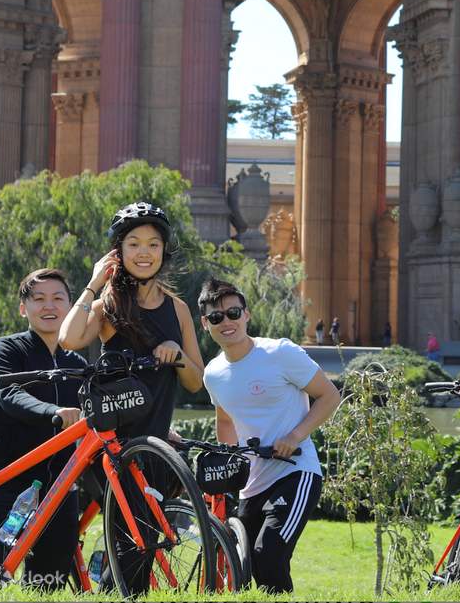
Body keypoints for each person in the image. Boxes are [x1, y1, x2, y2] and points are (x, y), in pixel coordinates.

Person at [198, 278, 341, 594]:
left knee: (269, 557)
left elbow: (330, 396)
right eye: (217, 317)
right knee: (245, 568)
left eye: (233, 313)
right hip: (251, 484)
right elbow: (225, 421)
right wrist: (228, 470)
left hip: (295, 472)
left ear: (246, 315)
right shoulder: (213, 374)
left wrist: (295, 435)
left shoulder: (280, 353)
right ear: (205, 324)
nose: (227, 322)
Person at [59, 201, 207, 439]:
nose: (144, 252)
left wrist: (178, 354)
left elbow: (196, 383)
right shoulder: (107, 307)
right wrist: (93, 285)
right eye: (134, 244)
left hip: (156, 446)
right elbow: (68, 339)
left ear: (163, 250)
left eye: (153, 244)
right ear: (118, 252)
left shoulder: (178, 309)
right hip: (109, 446)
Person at [0, 269, 87, 590]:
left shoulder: (77, 365)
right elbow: (10, 395)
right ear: (23, 308)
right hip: (8, 483)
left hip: (59, 490)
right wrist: (53, 412)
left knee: (47, 585)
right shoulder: (6, 350)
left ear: (69, 307)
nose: (48, 306)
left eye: (57, 298)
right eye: (38, 299)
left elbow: (103, 409)